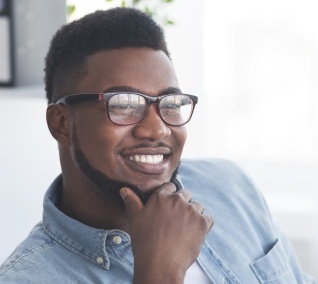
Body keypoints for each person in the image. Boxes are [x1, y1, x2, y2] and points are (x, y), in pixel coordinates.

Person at [0, 7, 316, 284]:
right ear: (61, 124)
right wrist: (160, 270)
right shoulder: (29, 277)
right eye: (124, 104)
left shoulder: (231, 186)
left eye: (170, 103)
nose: (157, 128)